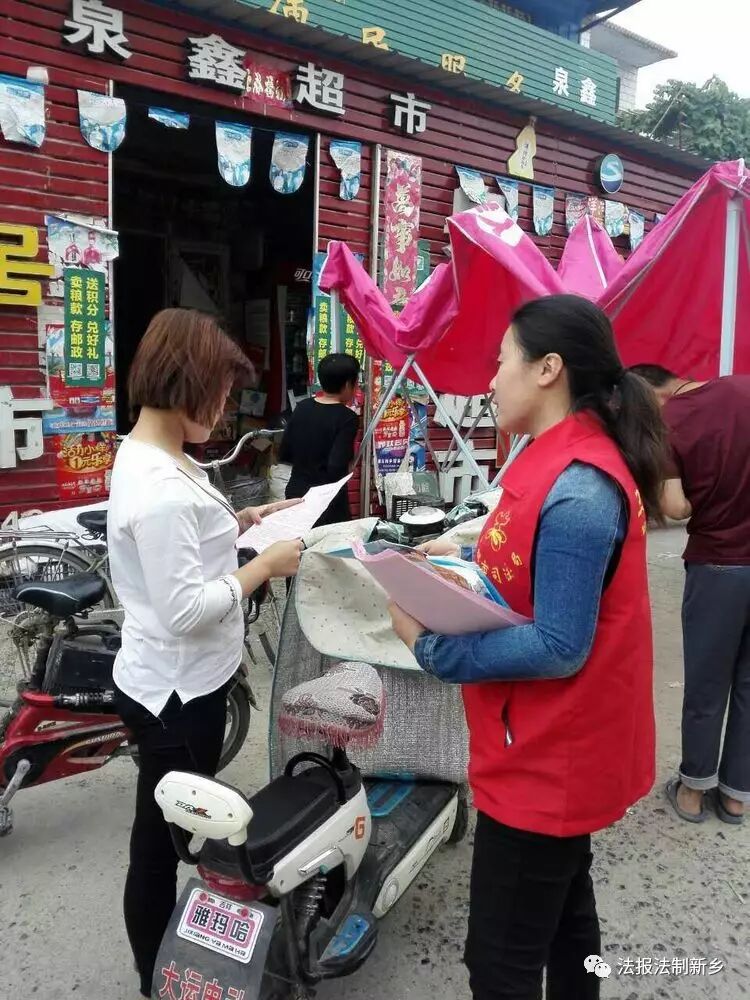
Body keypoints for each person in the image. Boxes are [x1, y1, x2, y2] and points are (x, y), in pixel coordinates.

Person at [388, 295, 667, 1000]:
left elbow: (559, 644)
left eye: (501, 360)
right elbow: (528, 566)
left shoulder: (580, 488)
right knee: (567, 919)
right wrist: (458, 562)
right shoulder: (556, 459)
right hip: (544, 741)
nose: (490, 380)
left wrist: (432, 649)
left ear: (548, 370)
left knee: (501, 965)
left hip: (550, 758)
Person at [108, 308, 303, 998]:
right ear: (187, 382)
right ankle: (156, 976)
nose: (223, 409)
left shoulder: (154, 455)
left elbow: (183, 547)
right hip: (177, 693)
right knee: (162, 842)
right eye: (219, 392)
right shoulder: (161, 487)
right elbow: (185, 609)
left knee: (165, 827)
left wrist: (241, 523)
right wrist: (263, 566)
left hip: (170, 679)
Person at [630, 364, 750, 826]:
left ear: (649, 394)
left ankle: (694, 791)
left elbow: (676, 506)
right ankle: (736, 797)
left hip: (717, 566)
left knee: (707, 684)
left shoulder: (668, 423)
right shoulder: (742, 387)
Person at [280, 352, 360, 527]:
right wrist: (349, 465)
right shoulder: (347, 418)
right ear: (348, 384)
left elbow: (285, 452)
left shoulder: (302, 407)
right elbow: (336, 466)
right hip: (326, 500)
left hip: (296, 492)